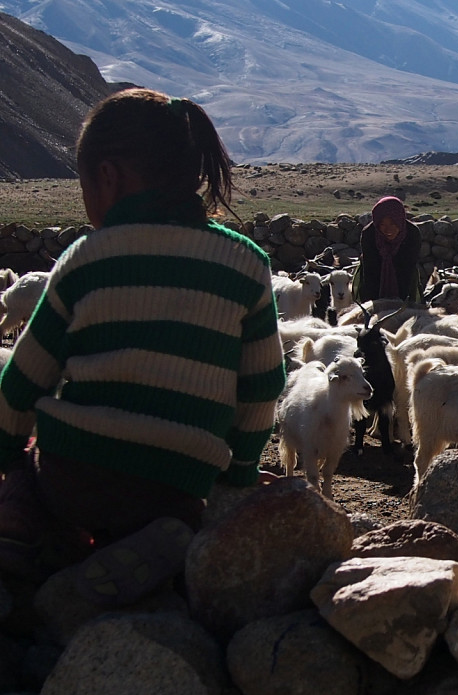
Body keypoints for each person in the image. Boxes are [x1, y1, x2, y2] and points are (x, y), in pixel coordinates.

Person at [0, 88, 287, 604]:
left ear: (107, 177)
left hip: (74, 477)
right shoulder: (246, 264)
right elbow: (264, 384)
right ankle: (162, 549)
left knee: (23, 459)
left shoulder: (86, 258)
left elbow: (22, 383)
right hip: (177, 487)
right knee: (160, 512)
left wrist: (7, 461)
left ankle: (35, 539)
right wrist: (238, 480)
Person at [352, 196, 423, 303]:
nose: (388, 230)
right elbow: (370, 270)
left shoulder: (412, 233)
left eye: (393, 224)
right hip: (374, 278)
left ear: (400, 221)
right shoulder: (369, 234)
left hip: (405, 278)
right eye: (382, 224)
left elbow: (407, 268)